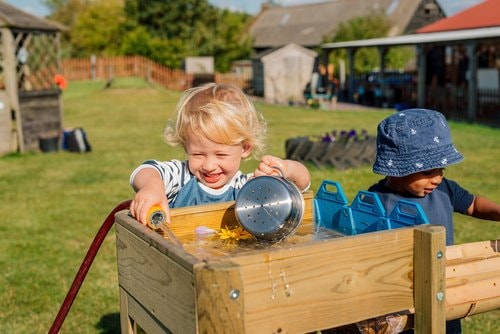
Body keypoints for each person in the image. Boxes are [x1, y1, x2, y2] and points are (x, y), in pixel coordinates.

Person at [367, 108, 500, 334]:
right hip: (402, 303)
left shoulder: (445, 190)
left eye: (441, 168)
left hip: (445, 291)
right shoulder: (375, 201)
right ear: (397, 168)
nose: (437, 178)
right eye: (428, 171)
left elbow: (473, 204)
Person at [129, 83, 311, 225]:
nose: (208, 165)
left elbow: (302, 184)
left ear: (245, 148)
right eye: (198, 154)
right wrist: (152, 187)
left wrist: (286, 168)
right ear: (186, 146)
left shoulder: (248, 189)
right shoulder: (181, 177)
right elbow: (144, 170)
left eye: (221, 155)